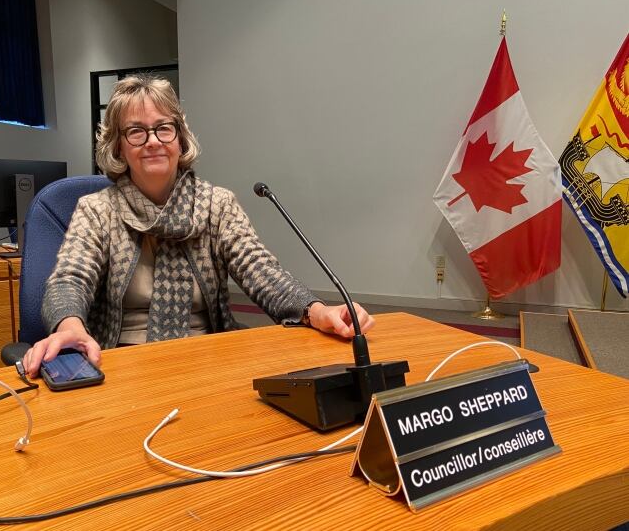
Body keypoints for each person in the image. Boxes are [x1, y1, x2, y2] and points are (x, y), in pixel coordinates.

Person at [22, 75, 375, 377]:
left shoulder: (217, 205)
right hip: (119, 363)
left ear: (180, 138)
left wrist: (316, 310)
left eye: (163, 128)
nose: (154, 141)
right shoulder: (97, 210)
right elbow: (70, 279)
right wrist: (70, 325)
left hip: (210, 361)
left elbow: (263, 273)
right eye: (136, 132)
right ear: (118, 146)